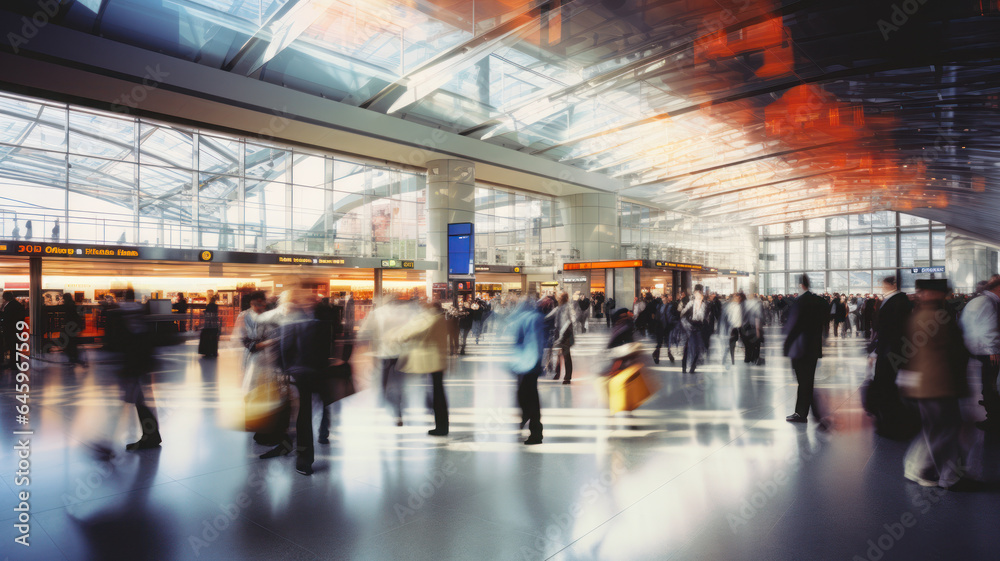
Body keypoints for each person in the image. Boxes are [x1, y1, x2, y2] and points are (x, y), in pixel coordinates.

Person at [900, 279, 970, 489]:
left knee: (933, 428)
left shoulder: (918, 313)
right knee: (946, 428)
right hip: (937, 382)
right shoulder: (936, 317)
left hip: (923, 382)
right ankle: (928, 470)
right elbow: (953, 350)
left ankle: (917, 468)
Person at [265, 290, 329, 475]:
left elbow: (284, 352)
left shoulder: (289, 324)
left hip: (297, 376)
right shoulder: (320, 324)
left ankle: (299, 456)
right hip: (315, 374)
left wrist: (284, 374)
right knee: (305, 416)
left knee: (299, 417)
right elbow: (325, 352)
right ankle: (303, 456)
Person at [106, 288, 161, 450]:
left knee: (133, 400)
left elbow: (115, 340)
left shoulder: (118, 313)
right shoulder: (141, 311)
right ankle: (151, 435)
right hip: (142, 362)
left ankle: (110, 444)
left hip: (129, 363)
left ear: (122, 297)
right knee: (139, 400)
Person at [865, 276, 917, 439]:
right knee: (887, 387)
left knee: (886, 386)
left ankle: (892, 424)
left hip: (891, 351)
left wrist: (878, 351)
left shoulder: (898, 301)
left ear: (892, 285)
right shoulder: (895, 300)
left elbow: (892, 330)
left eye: (884, 284)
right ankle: (890, 422)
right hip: (889, 349)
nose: (882, 287)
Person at [395, 301, 450, 436]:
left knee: (437, 393)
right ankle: (442, 425)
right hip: (439, 359)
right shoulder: (442, 319)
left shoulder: (430, 319)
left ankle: (441, 427)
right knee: (438, 391)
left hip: (431, 360)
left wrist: (399, 336)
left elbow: (410, 333)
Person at [783, 274, 830, 429]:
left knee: (804, 381)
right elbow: (825, 320)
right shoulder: (819, 300)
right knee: (806, 381)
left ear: (800, 285)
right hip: (813, 348)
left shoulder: (799, 302)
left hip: (800, 348)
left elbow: (793, 327)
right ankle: (805, 413)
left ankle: (807, 414)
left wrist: (786, 345)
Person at [960, 275, 1000, 432]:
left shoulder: (983, 301)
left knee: (990, 384)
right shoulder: (988, 302)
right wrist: (993, 349)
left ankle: (994, 417)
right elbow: (987, 328)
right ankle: (994, 420)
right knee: (990, 385)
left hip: (983, 349)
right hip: (989, 351)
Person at [509, 299, 544, 445]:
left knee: (528, 397)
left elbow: (533, 341)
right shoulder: (533, 317)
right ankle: (530, 423)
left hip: (527, 364)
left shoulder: (528, 318)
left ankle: (534, 431)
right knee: (528, 395)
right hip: (528, 364)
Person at [546, 292, 575, 384]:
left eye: (560, 296)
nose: (558, 298)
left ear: (564, 298)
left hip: (566, 335)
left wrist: (562, 333)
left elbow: (570, 321)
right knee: (557, 355)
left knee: (566, 356)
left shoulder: (567, 307)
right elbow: (549, 316)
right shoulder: (559, 308)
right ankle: (557, 374)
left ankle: (567, 378)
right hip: (559, 334)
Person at [680, 286, 708, 374]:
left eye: (701, 295)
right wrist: (687, 325)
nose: (699, 296)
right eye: (697, 294)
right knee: (688, 348)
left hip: (699, 327)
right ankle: (684, 367)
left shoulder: (704, 305)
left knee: (698, 348)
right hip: (690, 327)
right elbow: (682, 314)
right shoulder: (691, 303)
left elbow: (705, 318)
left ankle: (693, 366)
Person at [1, 291, 27, 369]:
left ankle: (14, 363)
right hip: (14, 328)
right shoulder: (15, 304)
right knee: (13, 347)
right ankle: (14, 362)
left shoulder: (11, 305)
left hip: (11, 329)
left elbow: (7, 317)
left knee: (12, 346)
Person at [61, 293, 87, 367]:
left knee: (68, 343)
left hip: (69, 327)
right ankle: (75, 359)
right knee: (72, 343)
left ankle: (74, 359)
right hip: (73, 327)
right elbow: (78, 318)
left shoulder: (67, 306)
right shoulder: (73, 305)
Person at [652, 294, 676, 365]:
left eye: (664, 298)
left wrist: (672, 323)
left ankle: (669, 353)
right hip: (660, 326)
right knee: (659, 342)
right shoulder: (659, 306)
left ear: (667, 298)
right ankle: (657, 356)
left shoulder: (670, 306)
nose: (663, 299)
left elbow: (672, 315)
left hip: (667, 326)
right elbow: (656, 315)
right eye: (662, 298)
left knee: (667, 341)